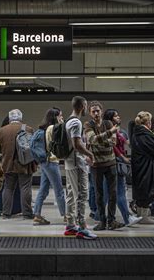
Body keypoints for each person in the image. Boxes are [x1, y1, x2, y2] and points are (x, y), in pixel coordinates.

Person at [84, 101, 124, 231]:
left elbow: (112, 142)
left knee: (113, 193)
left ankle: (111, 221)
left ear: (101, 111)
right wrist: (109, 132)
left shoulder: (108, 123)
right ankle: (102, 220)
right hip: (96, 165)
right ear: (90, 113)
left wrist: (100, 139)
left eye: (98, 110)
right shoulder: (88, 125)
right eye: (93, 111)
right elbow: (92, 140)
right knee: (99, 194)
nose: (96, 113)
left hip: (110, 162)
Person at [63, 96, 97, 240]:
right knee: (82, 195)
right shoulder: (76, 122)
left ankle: (71, 225)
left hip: (69, 162)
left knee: (71, 193)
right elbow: (77, 144)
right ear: (83, 105)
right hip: (77, 162)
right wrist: (90, 154)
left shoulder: (68, 120)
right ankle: (82, 227)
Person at [103, 109, 142, 227]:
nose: (119, 117)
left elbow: (126, 142)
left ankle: (99, 215)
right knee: (119, 192)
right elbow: (113, 146)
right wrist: (123, 157)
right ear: (110, 119)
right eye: (116, 116)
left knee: (107, 192)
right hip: (115, 162)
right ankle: (127, 218)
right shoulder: (110, 131)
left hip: (112, 162)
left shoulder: (117, 131)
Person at [0, 109, 37, 219]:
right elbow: (32, 148)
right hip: (25, 164)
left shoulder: (0, 131)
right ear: (21, 118)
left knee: (8, 188)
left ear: (9, 119)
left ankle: (6, 213)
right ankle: (27, 213)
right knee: (25, 188)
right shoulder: (28, 129)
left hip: (7, 164)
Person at [130, 111, 154, 224]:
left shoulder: (135, 133)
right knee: (148, 190)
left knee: (141, 190)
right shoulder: (146, 135)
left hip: (138, 166)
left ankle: (140, 215)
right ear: (148, 122)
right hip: (148, 166)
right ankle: (144, 217)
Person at [33, 108, 66, 225]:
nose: (62, 118)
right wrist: (62, 126)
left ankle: (37, 214)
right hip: (51, 162)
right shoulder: (52, 130)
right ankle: (66, 215)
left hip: (44, 162)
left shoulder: (42, 130)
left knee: (43, 189)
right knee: (59, 190)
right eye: (60, 116)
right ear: (55, 117)